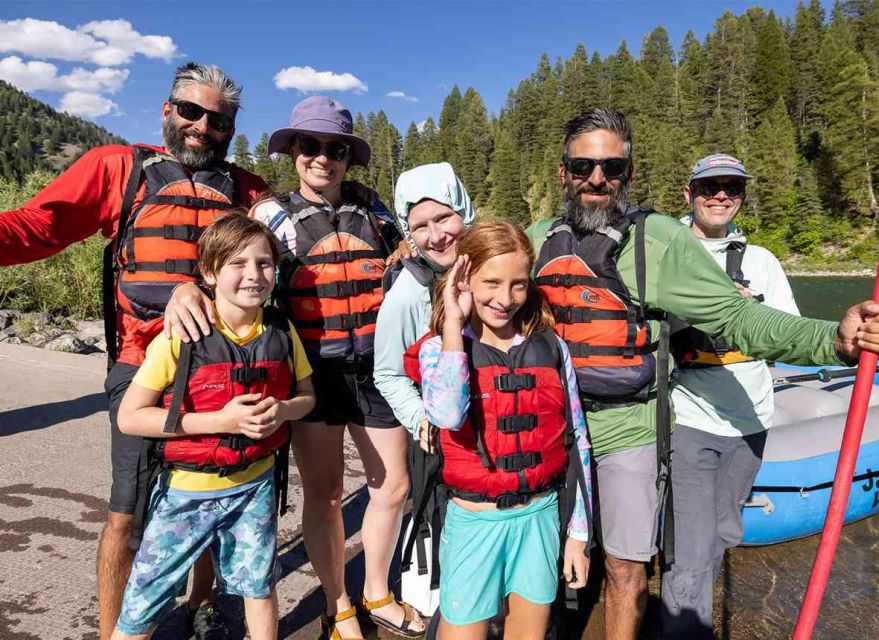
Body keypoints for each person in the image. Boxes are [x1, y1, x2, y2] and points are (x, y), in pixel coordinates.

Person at [525, 109, 879, 640]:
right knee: (536, 567)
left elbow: (737, 316)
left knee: (626, 569)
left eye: (611, 167)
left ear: (628, 175)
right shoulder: (536, 237)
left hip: (626, 431)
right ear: (563, 172)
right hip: (550, 429)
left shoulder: (657, 241)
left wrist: (834, 340)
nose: (597, 179)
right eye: (583, 166)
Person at [0, 62, 268, 639]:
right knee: (126, 513)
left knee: (215, 495)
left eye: (218, 120)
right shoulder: (119, 169)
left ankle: (202, 601)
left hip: (227, 369)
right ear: (167, 111)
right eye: (191, 111)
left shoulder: (249, 192)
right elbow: (37, 226)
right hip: (143, 364)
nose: (202, 126)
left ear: (231, 129)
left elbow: (289, 254)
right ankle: (110, 631)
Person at [169, 95, 422, 639]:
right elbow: (226, 264)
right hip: (314, 370)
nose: (321, 158)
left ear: (347, 157)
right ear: (294, 152)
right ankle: (340, 605)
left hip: (377, 368)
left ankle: (376, 589)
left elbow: (412, 252)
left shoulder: (374, 208)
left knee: (393, 486)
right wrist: (186, 288)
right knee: (327, 492)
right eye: (310, 146)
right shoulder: (269, 214)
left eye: (334, 149)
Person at [111, 213, 315, 640]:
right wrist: (220, 421)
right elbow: (130, 417)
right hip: (185, 494)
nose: (253, 275)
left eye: (263, 263)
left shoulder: (281, 327)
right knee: (141, 605)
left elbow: (307, 398)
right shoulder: (180, 336)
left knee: (259, 589)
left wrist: (283, 411)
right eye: (237, 264)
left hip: (254, 488)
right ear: (208, 272)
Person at [409, 219, 592, 640]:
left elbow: (577, 439)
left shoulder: (551, 347)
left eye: (518, 284)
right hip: (473, 523)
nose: (505, 298)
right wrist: (453, 322)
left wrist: (579, 535)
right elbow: (448, 414)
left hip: (540, 518)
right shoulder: (442, 347)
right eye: (491, 282)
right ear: (465, 277)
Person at [661, 153, 800, 638]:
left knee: (722, 533)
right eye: (709, 187)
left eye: (732, 188)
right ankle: (686, 629)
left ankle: (689, 615)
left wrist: (749, 316)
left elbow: (787, 332)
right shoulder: (668, 256)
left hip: (751, 420)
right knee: (694, 546)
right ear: (689, 193)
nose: (720, 195)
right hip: (692, 416)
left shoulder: (762, 262)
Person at [374, 161, 475, 447]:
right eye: (420, 227)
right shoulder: (407, 292)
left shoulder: (493, 268)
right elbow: (388, 373)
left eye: (443, 218)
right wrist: (421, 419)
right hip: (447, 439)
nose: (436, 236)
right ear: (408, 233)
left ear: (463, 212)